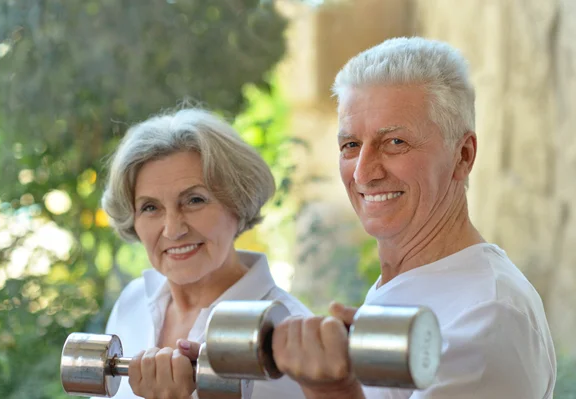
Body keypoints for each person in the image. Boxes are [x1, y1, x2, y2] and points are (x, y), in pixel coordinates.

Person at [268, 37, 557, 398]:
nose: (362, 173)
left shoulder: (487, 316)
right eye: (351, 146)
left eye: (395, 143)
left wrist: (331, 389)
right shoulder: (409, 285)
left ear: (463, 156)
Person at [99, 108, 312, 399]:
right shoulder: (132, 303)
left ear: (237, 205)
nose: (173, 230)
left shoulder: (291, 336)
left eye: (194, 200)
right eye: (150, 207)